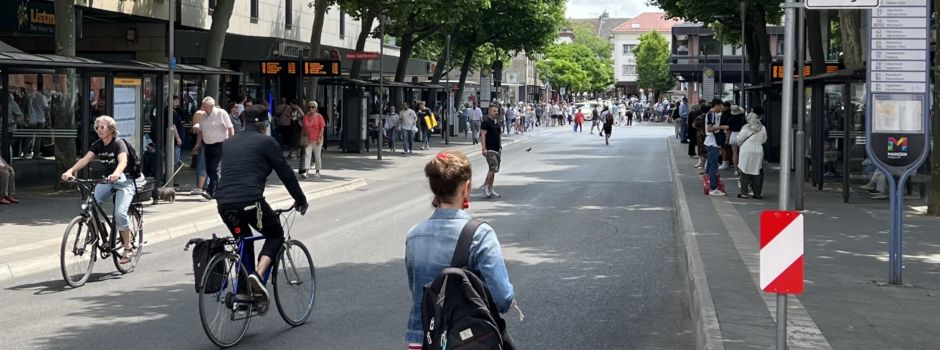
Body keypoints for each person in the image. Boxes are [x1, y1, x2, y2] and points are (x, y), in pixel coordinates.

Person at [213, 105, 309, 315]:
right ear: (265, 124)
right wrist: (300, 199)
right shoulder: (267, 142)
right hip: (250, 203)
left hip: (224, 205)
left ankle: (244, 295)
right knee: (275, 234)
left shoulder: (228, 143)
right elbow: (285, 173)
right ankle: (258, 273)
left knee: (243, 239)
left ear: (245, 122)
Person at [60, 116, 137, 263]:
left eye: (103, 127)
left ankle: (128, 248)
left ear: (111, 129)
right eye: (97, 127)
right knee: (91, 204)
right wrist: (70, 171)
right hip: (107, 180)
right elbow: (85, 159)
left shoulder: (118, 144)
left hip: (124, 180)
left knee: (120, 212)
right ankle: (98, 233)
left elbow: (123, 161)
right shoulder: (98, 144)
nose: (99, 130)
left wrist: (116, 173)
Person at [194, 97, 235, 199]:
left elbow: (230, 128)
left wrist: (231, 142)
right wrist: (197, 144)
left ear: (212, 106)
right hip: (207, 145)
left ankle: (210, 191)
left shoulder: (221, 113)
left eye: (206, 107)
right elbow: (200, 132)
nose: (204, 109)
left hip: (220, 143)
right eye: (203, 106)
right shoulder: (203, 116)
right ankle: (218, 189)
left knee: (214, 168)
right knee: (208, 169)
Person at [736, 112, 767, 199]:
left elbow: (739, 139)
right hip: (758, 150)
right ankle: (757, 194)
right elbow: (764, 140)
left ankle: (744, 193)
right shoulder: (763, 127)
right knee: (757, 171)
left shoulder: (746, 127)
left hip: (746, 150)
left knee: (744, 171)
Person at [705, 99, 728, 196]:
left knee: (710, 165)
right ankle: (713, 188)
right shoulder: (712, 114)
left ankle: (708, 185)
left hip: (711, 142)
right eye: (721, 106)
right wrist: (722, 127)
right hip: (712, 142)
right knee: (713, 165)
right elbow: (709, 129)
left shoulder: (711, 114)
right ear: (717, 105)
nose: (722, 108)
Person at [480, 105, 503, 198]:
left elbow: (498, 135)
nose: (496, 112)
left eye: (497, 111)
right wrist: (484, 148)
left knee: (494, 170)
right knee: (493, 167)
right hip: (489, 149)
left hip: (497, 149)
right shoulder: (485, 122)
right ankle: (484, 185)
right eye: (494, 111)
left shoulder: (496, 123)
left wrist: (500, 146)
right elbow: (483, 135)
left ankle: (490, 188)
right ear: (489, 112)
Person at [24, 82, 49, 160]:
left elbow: (26, 108)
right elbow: (46, 109)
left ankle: (24, 153)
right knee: (38, 138)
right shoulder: (42, 97)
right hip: (40, 119)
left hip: (31, 119)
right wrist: (48, 119)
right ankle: (36, 154)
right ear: (42, 89)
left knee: (28, 137)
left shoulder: (30, 97)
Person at [301, 101, 326, 179]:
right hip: (308, 139)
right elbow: (303, 128)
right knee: (307, 155)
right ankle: (306, 172)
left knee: (317, 156)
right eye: (309, 107)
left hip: (317, 139)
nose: (310, 108)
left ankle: (317, 171)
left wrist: (319, 138)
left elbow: (322, 128)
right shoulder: (305, 117)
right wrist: (301, 138)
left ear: (316, 108)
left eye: (312, 107)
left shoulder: (319, 117)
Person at [727, 105, 747, 176]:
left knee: (734, 154)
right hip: (741, 135)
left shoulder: (730, 119)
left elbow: (728, 131)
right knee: (741, 153)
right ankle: (741, 169)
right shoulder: (742, 119)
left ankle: (735, 170)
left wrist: (727, 139)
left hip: (733, 135)